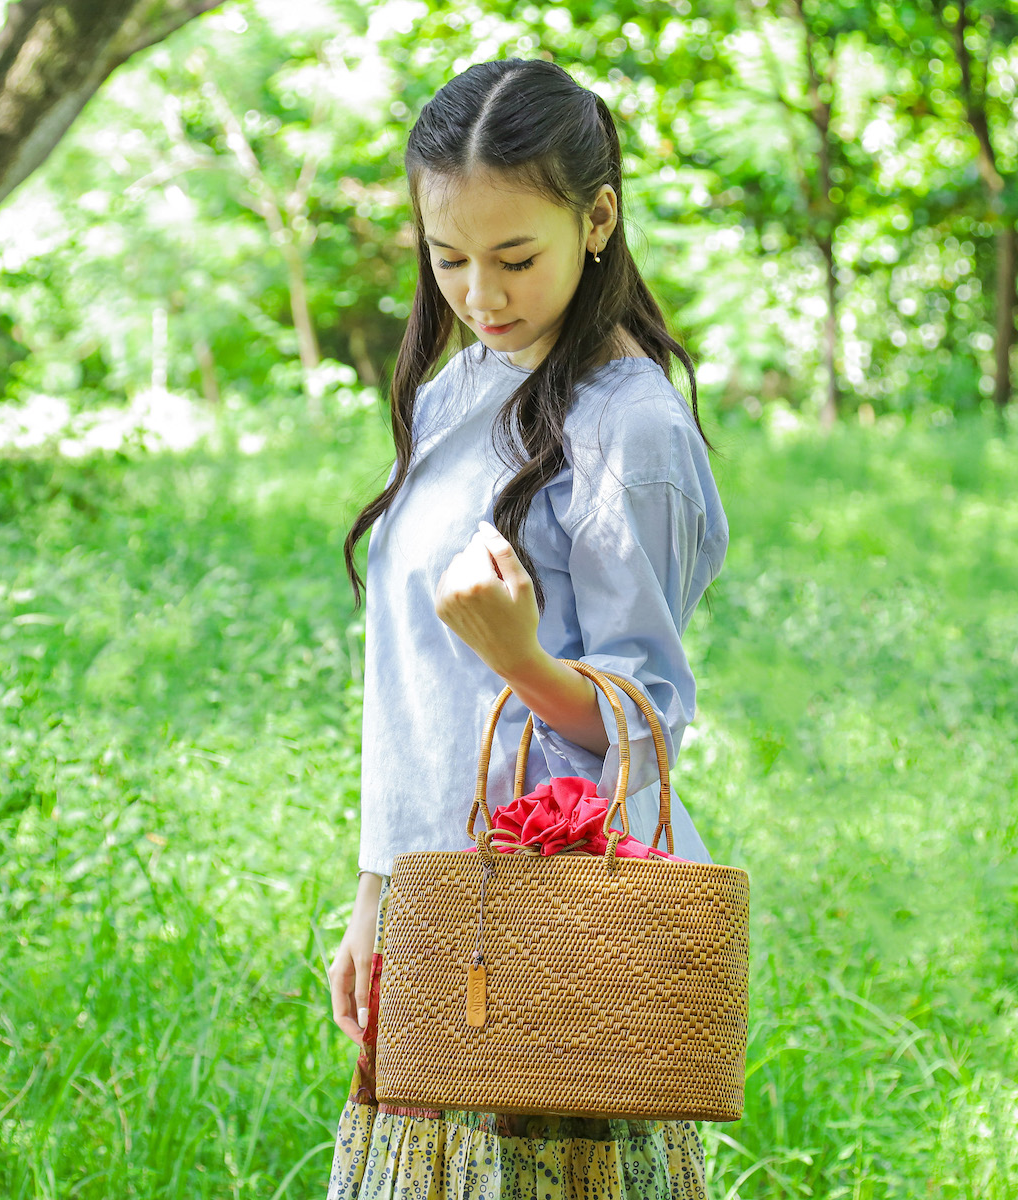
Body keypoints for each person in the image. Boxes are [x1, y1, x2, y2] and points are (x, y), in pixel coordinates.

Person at [326, 58, 727, 1200]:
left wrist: (520, 660)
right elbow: (405, 687)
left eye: (515, 258)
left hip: (553, 920)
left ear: (598, 218)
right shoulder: (458, 391)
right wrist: (375, 896)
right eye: (448, 257)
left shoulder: (629, 429)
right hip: (441, 897)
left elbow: (649, 718)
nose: (479, 295)